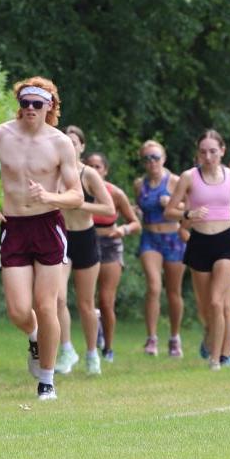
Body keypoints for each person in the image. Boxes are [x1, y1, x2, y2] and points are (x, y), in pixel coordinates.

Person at [0, 76, 83, 400]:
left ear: (50, 106)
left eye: (38, 104)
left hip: (48, 225)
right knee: (18, 310)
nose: (30, 109)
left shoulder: (60, 143)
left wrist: (51, 198)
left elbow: (76, 196)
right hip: (14, 226)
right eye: (25, 103)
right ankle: (35, 336)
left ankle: (47, 381)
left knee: (46, 304)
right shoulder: (1, 134)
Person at [165, 130, 230, 371]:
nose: (208, 156)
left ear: (222, 151)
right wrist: (189, 214)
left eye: (213, 151)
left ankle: (217, 359)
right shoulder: (189, 177)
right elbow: (170, 211)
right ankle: (219, 334)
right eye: (203, 152)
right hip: (199, 242)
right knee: (205, 307)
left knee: (218, 302)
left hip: (226, 241)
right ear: (198, 154)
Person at [54, 126, 115, 375]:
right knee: (57, 299)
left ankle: (92, 354)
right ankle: (67, 350)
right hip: (60, 239)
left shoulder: (88, 174)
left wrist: (81, 204)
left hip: (85, 239)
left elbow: (109, 208)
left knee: (85, 303)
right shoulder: (52, 172)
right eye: (64, 142)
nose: (69, 146)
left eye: (74, 142)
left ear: (81, 147)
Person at [85, 151, 141, 362]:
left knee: (106, 300)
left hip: (110, 245)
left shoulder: (115, 194)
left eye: (98, 166)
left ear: (105, 170)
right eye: (90, 165)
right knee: (87, 299)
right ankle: (94, 335)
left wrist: (124, 230)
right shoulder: (78, 191)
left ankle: (108, 348)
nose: (94, 170)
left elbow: (135, 223)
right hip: (85, 243)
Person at [134, 140, 185, 357]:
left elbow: (190, 209)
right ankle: (151, 338)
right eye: (147, 158)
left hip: (173, 237)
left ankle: (174, 337)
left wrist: (174, 204)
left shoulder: (174, 181)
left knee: (174, 291)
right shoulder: (140, 184)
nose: (151, 162)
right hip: (150, 238)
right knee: (154, 287)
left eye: (155, 157)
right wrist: (136, 212)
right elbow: (139, 206)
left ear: (163, 158)